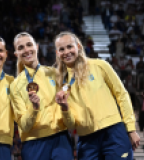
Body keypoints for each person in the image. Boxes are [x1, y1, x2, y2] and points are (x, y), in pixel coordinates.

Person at [54, 31, 140, 160]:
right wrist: (65, 108)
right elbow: (71, 125)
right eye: (62, 49)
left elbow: (122, 95)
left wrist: (131, 129)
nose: (66, 52)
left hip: (113, 132)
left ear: (78, 46)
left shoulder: (99, 65)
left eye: (70, 46)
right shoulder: (61, 82)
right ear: (57, 53)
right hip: (87, 140)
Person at [10, 32, 73, 160]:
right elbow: (24, 125)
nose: (26, 50)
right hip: (34, 144)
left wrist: (65, 107)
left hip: (60, 139)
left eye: (29, 45)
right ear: (16, 54)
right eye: (21, 48)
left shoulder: (54, 74)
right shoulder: (15, 85)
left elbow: (70, 116)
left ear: (36, 47)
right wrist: (34, 108)